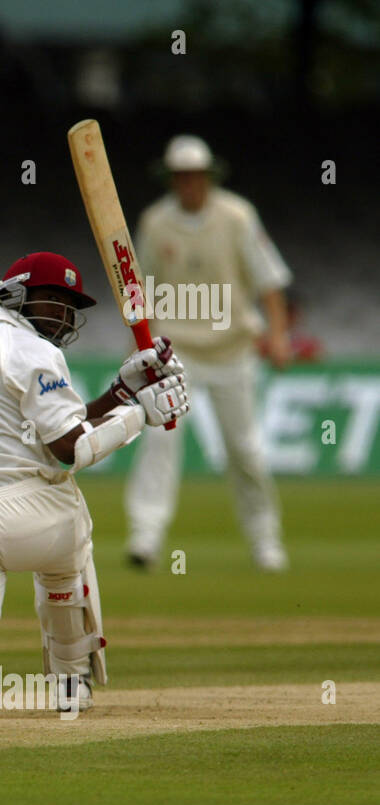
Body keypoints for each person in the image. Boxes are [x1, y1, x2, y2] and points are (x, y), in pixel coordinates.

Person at [0, 252, 189, 717]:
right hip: (32, 522)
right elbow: (69, 449)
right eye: (54, 299)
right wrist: (142, 413)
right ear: (16, 296)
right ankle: (70, 677)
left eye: (70, 304)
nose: (65, 313)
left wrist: (120, 393)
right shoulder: (36, 351)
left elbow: (56, 430)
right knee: (69, 513)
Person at [125, 135, 293, 572]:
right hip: (175, 354)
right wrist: (139, 355)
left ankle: (264, 540)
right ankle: (146, 537)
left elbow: (268, 280)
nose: (188, 185)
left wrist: (278, 336)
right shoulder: (155, 222)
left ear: (207, 177)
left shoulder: (237, 216)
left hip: (233, 350)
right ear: (171, 179)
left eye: (194, 176)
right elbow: (141, 293)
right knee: (160, 442)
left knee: (245, 450)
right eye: (180, 177)